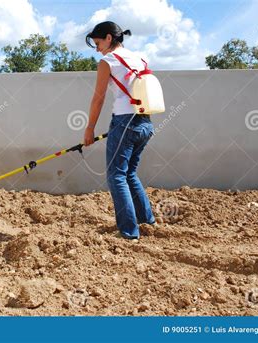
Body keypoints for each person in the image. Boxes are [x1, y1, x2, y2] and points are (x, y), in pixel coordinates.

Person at [83, 21, 156, 240]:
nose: (97, 49)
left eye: (97, 43)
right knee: (129, 173)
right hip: (145, 123)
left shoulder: (107, 62)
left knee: (116, 176)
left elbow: (98, 98)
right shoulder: (140, 58)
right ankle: (147, 221)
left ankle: (128, 232)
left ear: (108, 38)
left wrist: (89, 128)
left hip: (125, 122)